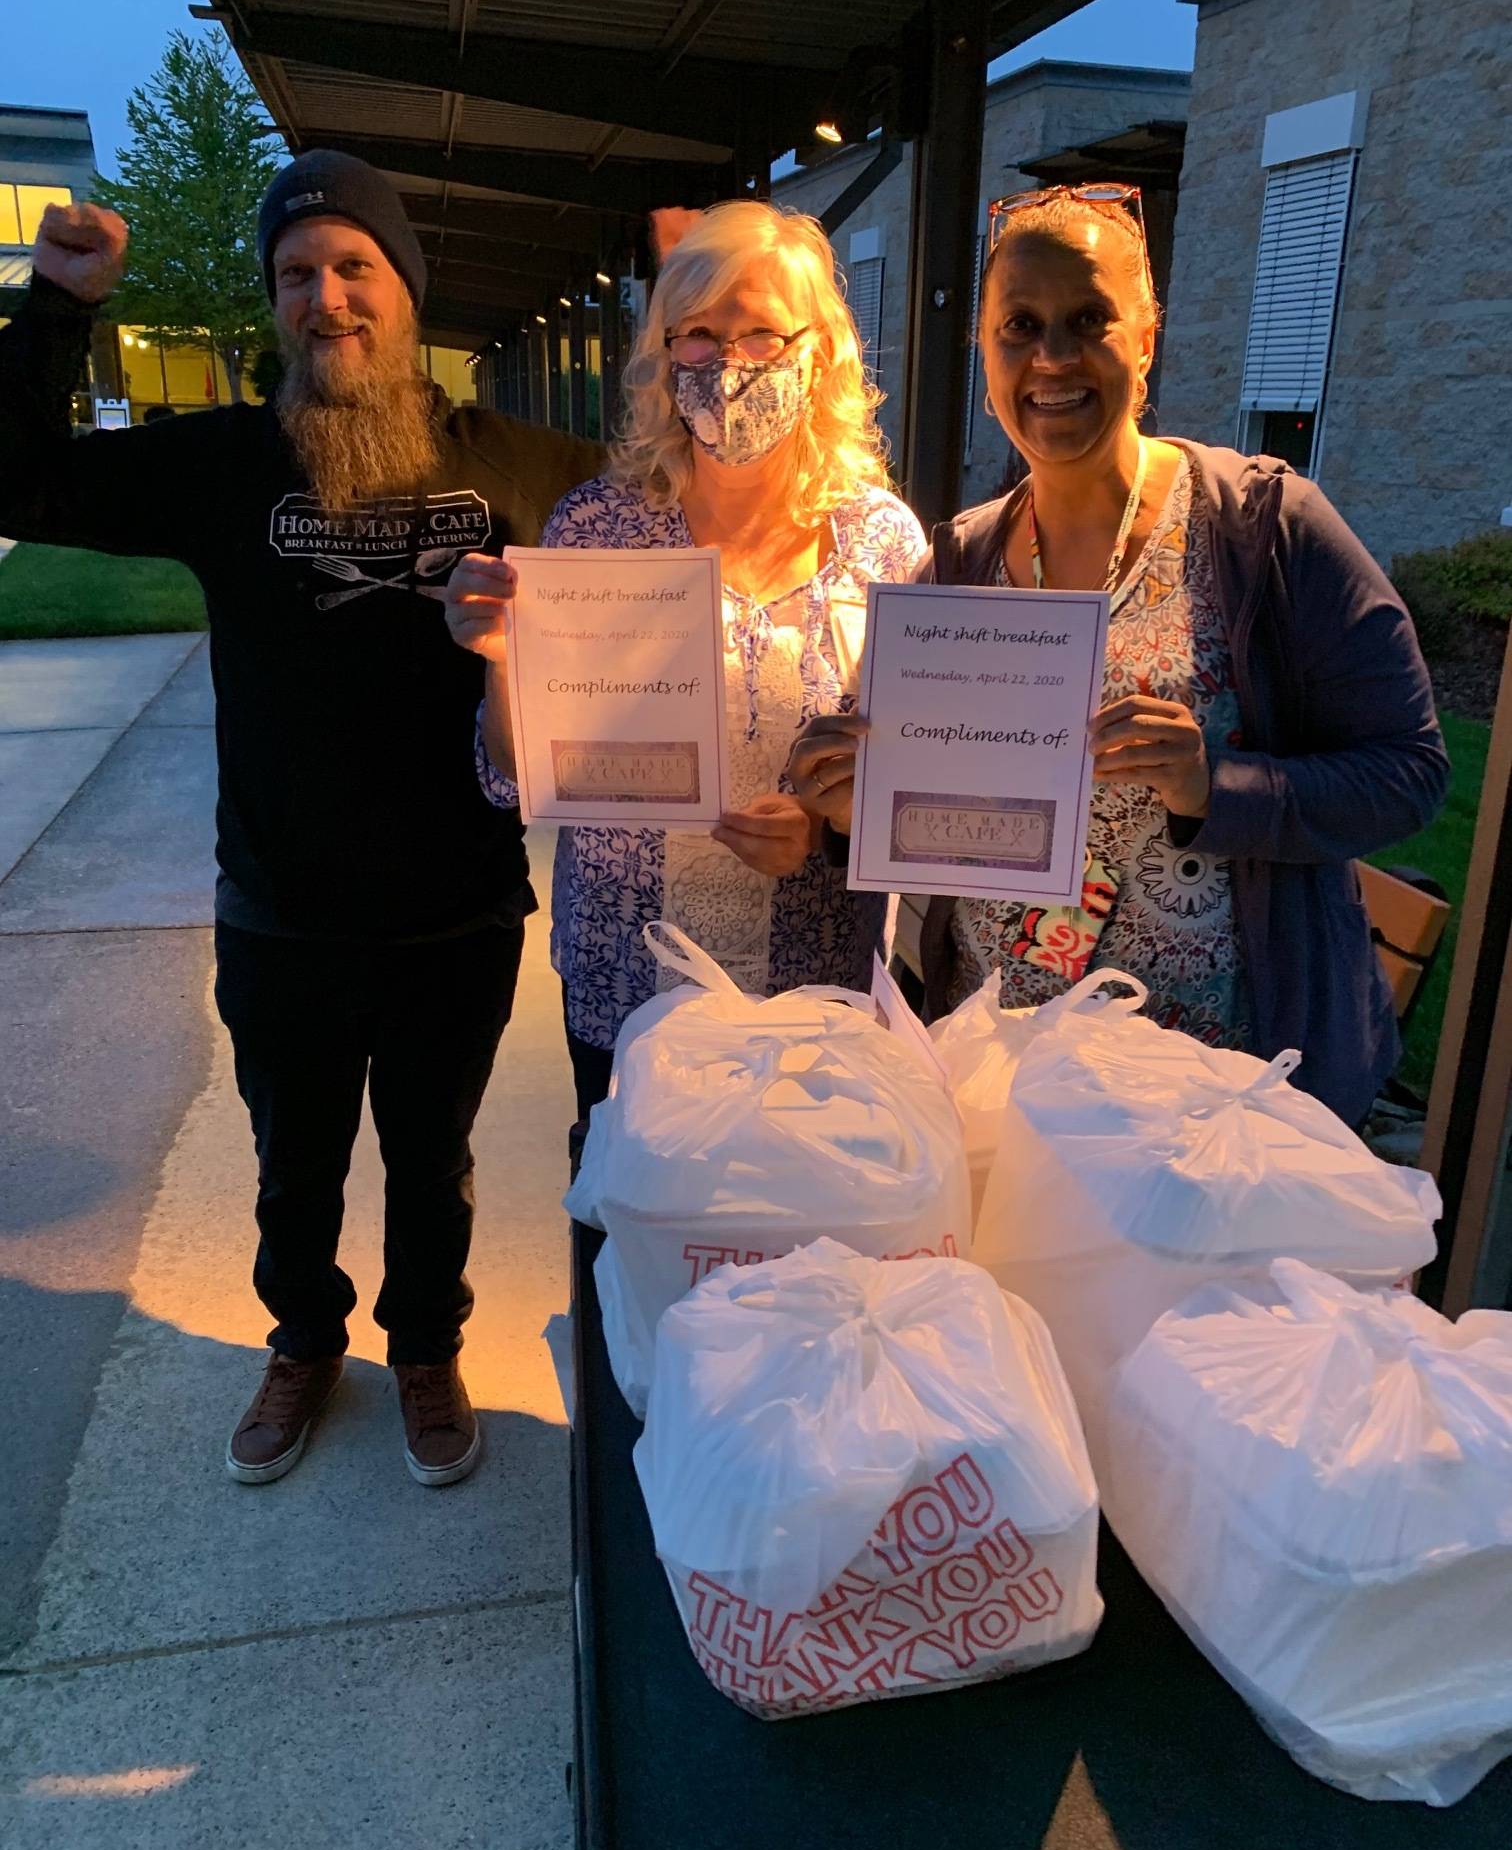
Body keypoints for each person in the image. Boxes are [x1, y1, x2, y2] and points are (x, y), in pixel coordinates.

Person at [0, 151, 602, 1487]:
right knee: (293, 1168)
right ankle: (304, 1343)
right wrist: (57, 305)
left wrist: (688, 294)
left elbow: (679, 519)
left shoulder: (518, 462)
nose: (325, 298)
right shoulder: (225, 463)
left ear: (404, 289)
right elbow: (18, 480)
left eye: (353, 269)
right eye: (295, 274)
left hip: (458, 906)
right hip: (282, 909)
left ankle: (429, 1351)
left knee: (433, 1162)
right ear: (273, 301)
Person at [791, 184, 1448, 1126]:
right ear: (986, 355)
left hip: (1217, 1102)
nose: (1052, 358)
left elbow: (1411, 772)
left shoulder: (1264, 529)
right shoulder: (957, 568)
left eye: (1088, 320)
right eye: (1020, 326)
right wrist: (853, 804)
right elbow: (913, 818)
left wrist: (1213, 788)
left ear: (1144, 339)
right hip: (1002, 1086)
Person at [436, 201, 925, 1117]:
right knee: (633, 1236)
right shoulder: (598, 529)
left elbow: (904, 790)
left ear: (817, 350)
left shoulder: (881, 544)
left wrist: (824, 833)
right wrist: (504, 661)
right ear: (664, 354)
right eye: (697, 335)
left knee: (799, 1244)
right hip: (630, 991)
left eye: (759, 335)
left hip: (812, 999)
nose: (727, 366)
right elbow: (513, 782)